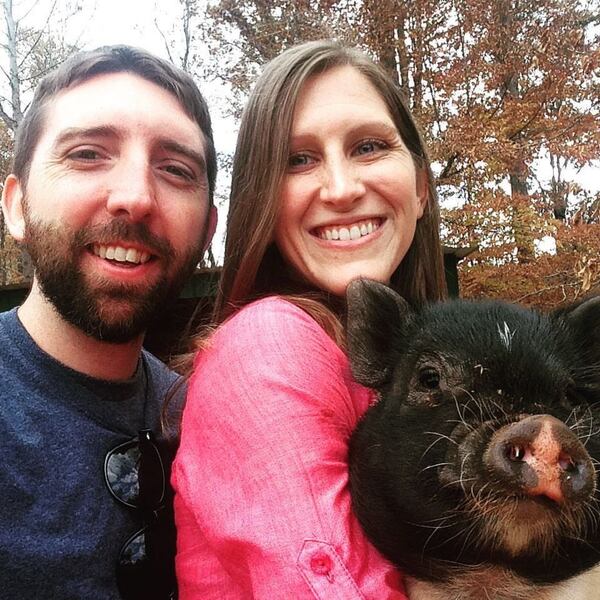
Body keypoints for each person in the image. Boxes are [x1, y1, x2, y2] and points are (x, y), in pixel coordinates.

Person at [173, 40, 447, 598]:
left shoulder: (408, 365)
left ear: (420, 186)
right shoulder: (269, 343)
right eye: (298, 159)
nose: (342, 189)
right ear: (262, 202)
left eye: (369, 146)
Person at [0, 45, 217, 600]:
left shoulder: (205, 422)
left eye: (175, 169)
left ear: (208, 229)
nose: (137, 197)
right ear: (17, 206)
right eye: (88, 154)